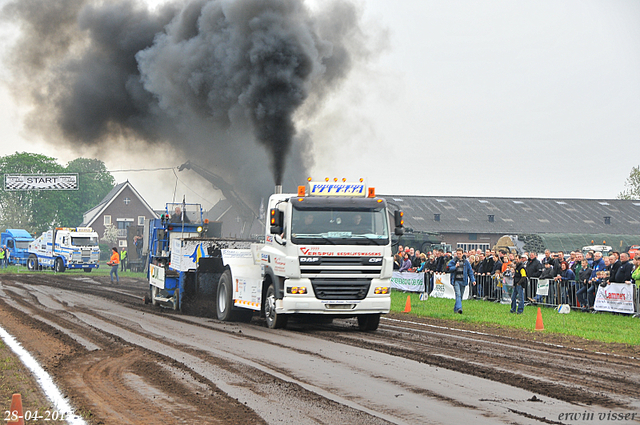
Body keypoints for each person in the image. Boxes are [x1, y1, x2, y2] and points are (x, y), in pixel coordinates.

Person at [446, 248, 476, 314]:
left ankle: (455, 309)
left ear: (462, 254)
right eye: (457, 253)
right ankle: (459, 309)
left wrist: (473, 280)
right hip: (456, 280)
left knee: (460, 296)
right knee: (458, 294)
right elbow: (448, 268)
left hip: (463, 281)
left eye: (460, 254)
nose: (459, 255)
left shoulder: (466, 262)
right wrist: (455, 267)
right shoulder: (453, 261)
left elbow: (470, 272)